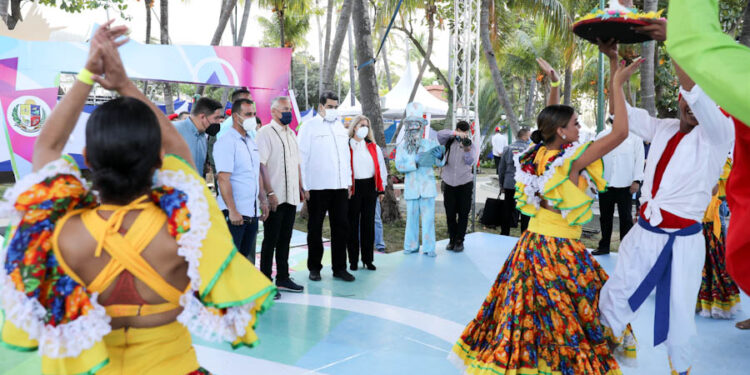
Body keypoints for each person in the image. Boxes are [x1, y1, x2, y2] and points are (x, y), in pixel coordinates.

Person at [0, 22, 275, 374]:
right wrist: (123, 84)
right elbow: (177, 145)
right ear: (159, 158)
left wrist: (87, 73)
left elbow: (47, 146)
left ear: (87, 154)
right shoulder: (186, 220)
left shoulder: (62, 228)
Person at [450, 57, 640, 375]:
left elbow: (548, 125)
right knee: (571, 312)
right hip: (559, 249)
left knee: (529, 311)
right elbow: (620, 133)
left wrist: (554, 85)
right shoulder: (572, 160)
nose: (580, 128)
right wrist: (617, 85)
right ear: (563, 132)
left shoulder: (537, 153)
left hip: (531, 245)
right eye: (576, 123)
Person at [596, 33, 734, 375]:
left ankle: (681, 370)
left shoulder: (719, 134)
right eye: (684, 100)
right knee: (614, 293)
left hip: (684, 243)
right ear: (677, 100)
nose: (690, 106)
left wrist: (675, 42)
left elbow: (698, 96)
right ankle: (603, 356)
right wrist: (614, 64)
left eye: (696, 100)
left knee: (680, 318)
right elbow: (620, 113)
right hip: (644, 232)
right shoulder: (664, 127)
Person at [665, 0, 750, 306]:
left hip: (708, 218)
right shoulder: (667, 134)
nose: (689, 108)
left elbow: (691, 42)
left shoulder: (718, 130)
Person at [298, 91, 355, 282]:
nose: (333, 110)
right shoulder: (309, 127)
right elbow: (302, 157)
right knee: (315, 227)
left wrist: (347, 182)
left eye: (335, 107)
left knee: (341, 227)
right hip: (317, 186)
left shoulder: (340, 127)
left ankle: (339, 268)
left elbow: (345, 157)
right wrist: (304, 186)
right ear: (321, 106)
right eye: (330, 106)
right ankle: (314, 267)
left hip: (339, 186)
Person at [256, 96, 305, 295]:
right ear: (274, 111)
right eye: (284, 109)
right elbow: (261, 165)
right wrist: (268, 193)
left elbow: (297, 164)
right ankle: (265, 282)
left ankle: (283, 278)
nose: (288, 113)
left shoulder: (291, 133)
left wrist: (302, 188)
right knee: (270, 240)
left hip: (291, 195)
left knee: (286, 239)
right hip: (275, 196)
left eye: (289, 109)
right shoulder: (265, 133)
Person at [214, 98, 269, 264]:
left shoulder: (250, 141)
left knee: (243, 259)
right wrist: (232, 210)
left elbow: (255, 173)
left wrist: (263, 200)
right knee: (229, 260)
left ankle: (241, 290)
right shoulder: (226, 142)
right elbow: (223, 178)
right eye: (248, 114)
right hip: (234, 214)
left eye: (254, 114)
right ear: (236, 117)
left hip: (251, 211)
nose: (252, 118)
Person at [395, 103, 445, 257]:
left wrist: (440, 157)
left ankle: (429, 248)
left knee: (429, 219)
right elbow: (399, 166)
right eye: (411, 125)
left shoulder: (430, 143)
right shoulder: (402, 147)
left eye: (417, 124)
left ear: (422, 127)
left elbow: (440, 163)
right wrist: (414, 162)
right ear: (407, 127)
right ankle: (411, 245)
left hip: (427, 188)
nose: (414, 128)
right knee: (411, 219)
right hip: (412, 189)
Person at [592, 112, 645, 255]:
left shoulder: (635, 138)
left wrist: (637, 180)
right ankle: (604, 246)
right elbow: (595, 158)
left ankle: (625, 249)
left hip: (626, 184)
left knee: (626, 218)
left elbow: (639, 160)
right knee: (605, 217)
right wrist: (594, 179)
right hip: (605, 183)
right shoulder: (602, 135)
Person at [697, 158, 740, 320]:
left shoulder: (717, 155)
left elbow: (715, 188)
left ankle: (715, 300)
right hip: (697, 212)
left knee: (713, 255)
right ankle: (700, 299)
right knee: (698, 257)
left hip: (711, 212)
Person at [346, 115, 387, 270]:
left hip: (370, 188)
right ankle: (353, 260)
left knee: (368, 224)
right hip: (354, 189)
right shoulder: (346, 145)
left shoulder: (372, 147)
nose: (364, 128)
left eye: (367, 126)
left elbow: (381, 169)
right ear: (354, 127)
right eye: (361, 125)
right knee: (352, 225)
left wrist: (381, 189)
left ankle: (368, 259)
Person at [437, 120, 475, 252]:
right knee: (450, 213)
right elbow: (440, 134)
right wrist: (455, 134)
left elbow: (471, 161)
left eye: (465, 132)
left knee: (463, 213)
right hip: (448, 183)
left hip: (465, 183)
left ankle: (460, 240)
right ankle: (452, 239)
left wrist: (467, 150)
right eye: (461, 131)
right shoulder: (448, 140)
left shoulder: (470, 143)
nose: (463, 134)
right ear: (457, 129)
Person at [173, 96, 223, 177]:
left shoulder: (203, 137)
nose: (218, 122)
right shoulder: (174, 130)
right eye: (216, 118)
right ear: (202, 117)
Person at [497, 127, 532, 235]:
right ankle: (524, 235)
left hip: (509, 183)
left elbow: (501, 169)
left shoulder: (508, 148)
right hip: (525, 184)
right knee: (525, 211)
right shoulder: (530, 149)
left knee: (507, 209)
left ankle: (504, 233)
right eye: (529, 136)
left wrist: (501, 184)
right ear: (525, 136)